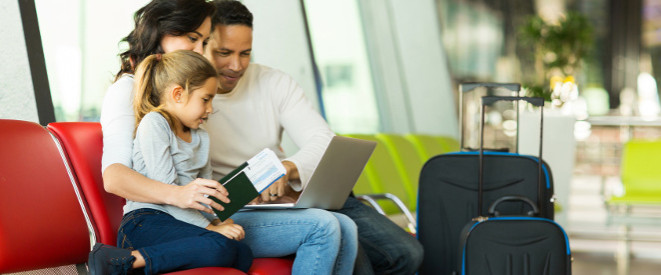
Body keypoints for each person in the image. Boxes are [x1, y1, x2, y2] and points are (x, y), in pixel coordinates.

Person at [100, 1, 358, 274]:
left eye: (206, 41)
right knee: (323, 226)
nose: (203, 51)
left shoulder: (194, 119)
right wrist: (184, 198)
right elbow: (115, 177)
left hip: (204, 211)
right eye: (193, 39)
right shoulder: (131, 93)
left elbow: (203, 182)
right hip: (165, 216)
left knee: (345, 226)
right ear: (161, 32)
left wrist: (251, 191)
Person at [203, 1, 424, 274]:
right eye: (224, 52)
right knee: (354, 252)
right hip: (247, 207)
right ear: (201, 45)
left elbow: (323, 140)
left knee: (407, 253)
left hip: (297, 194)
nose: (236, 65)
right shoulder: (192, 100)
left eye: (245, 53)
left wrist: (288, 168)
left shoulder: (273, 81)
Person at [90, 50, 253, 274]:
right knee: (220, 245)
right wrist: (211, 230)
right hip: (146, 221)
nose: (210, 109)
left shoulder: (201, 136)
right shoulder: (155, 124)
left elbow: (205, 197)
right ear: (178, 94)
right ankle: (123, 260)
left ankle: (142, 263)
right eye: (205, 99)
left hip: (180, 222)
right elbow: (169, 195)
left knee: (242, 252)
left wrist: (218, 223)